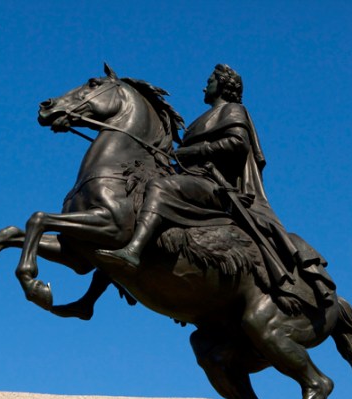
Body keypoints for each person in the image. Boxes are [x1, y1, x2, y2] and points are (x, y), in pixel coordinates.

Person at [96, 64, 334, 306]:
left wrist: (194, 151)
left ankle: (134, 251)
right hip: (192, 179)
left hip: (214, 185)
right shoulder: (200, 119)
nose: (204, 86)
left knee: (160, 188)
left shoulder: (233, 109)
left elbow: (237, 143)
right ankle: (89, 300)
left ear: (222, 85)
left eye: (210, 80)